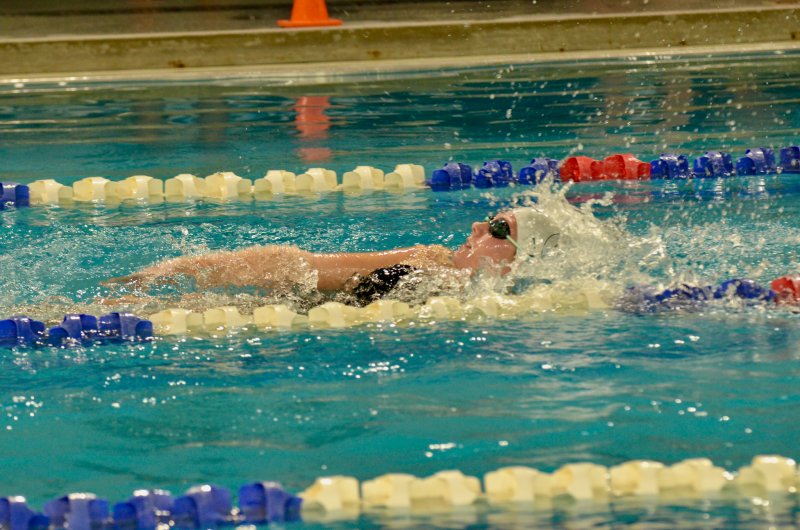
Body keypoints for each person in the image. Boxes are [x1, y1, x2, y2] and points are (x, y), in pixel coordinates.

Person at [107, 207, 564, 306]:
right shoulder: (433, 259)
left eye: (499, 229)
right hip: (289, 309)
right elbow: (303, 265)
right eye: (489, 219)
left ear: (520, 260)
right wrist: (189, 268)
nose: (478, 228)